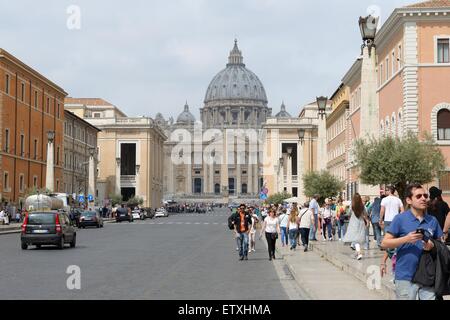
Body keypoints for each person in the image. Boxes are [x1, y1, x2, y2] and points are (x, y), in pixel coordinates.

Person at [381, 183, 443, 300]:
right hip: (405, 275)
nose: (424, 198)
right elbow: (385, 243)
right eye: (419, 196)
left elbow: (440, 245)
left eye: (425, 195)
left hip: (427, 275)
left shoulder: (432, 220)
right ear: (409, 200)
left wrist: (432, 245)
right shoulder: (400, 219)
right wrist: (406, 239)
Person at [343, 193, 369, 260]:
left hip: (353, 223)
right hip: (361, 222)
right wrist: (367, 221)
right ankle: (356, 253)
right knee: (358, 238)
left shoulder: (352, 205)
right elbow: (365, 214)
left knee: (355, 239)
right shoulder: (362, 206)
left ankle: (359, 253)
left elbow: (349, 213)